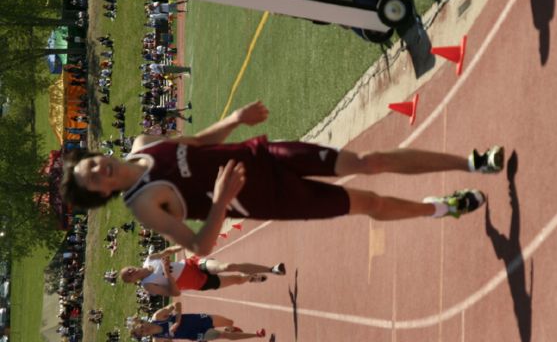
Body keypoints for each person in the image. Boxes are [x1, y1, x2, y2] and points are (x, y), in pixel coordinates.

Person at [61, 100, 504, 256]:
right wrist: (218, 202)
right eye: (93, 178)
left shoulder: (142, 142)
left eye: (93, 163)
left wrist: (234, 119)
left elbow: (197, 142)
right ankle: (442, 207)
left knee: (367, 162)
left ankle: (473, 162)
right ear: (100, 194)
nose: (100, 169)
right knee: (367, 202)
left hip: (262, 154)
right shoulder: (143, 204)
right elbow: (198, 246)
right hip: (269, 199)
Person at [120, 244, 285, 297]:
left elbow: (168, 251)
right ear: (132, 281)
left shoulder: (150, 258)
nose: (130, 272)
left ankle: (272, 269)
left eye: (128, 269)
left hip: (194, 264)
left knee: (227, 266)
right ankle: (250, 278)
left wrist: (185, 244)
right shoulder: (148, 285)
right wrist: (168, 273)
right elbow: (175, 293)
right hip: (197, 282)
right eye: (129, 275)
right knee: (237, 279)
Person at [128, 301, 266, 342]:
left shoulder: (158, 316)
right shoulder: (156, 339)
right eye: (142, 333)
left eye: (142, 327)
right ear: (144, 336)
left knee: (229, 322)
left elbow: (177, 304)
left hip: (197, 320)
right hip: (196, 335)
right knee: (226, 336)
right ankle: (256, 334)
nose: (144, 330)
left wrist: (177, 321)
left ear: (142, 321)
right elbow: (167, 341)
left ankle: (229, 328)